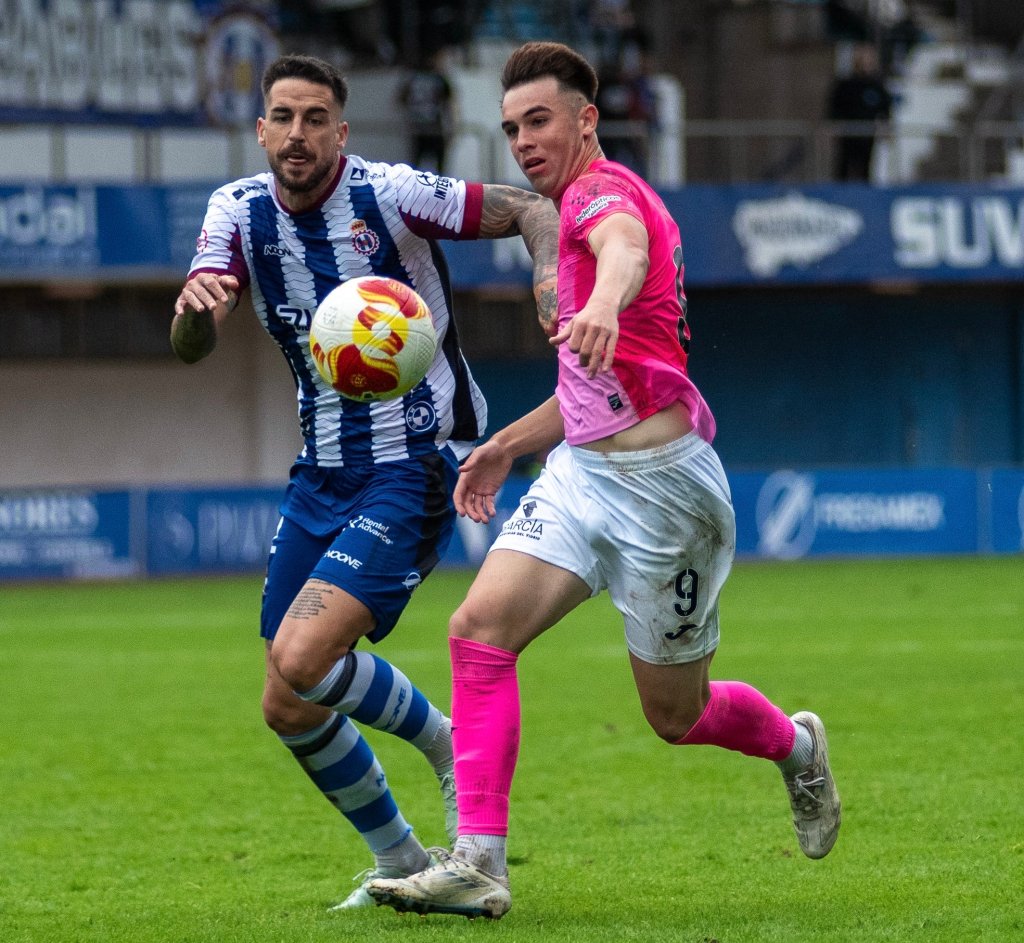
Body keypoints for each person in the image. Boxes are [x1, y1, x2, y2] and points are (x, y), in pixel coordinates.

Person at [367, 40, 841, 920]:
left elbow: (621, 248)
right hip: (583, 471)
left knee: (676, 714)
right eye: (510, 128)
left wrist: (604, 300)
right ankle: (479, 860)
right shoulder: (565, 205)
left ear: (586, 120)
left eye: (539, 120)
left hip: (667, 494)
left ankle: (795, 744)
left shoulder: (601, 193)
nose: (523, 141)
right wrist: (509, 443)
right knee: (477, 629)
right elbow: (588, 393)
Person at [171, 53, 558, 911]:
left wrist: (548, 273)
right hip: (320, 473)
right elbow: (193, 339)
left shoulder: (390, 193)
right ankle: (398, 856)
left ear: (341, 131)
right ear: (261, 128)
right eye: (284, 117)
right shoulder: (234, 211)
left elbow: (532, 207)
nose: (298, 134)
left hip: (413, 465)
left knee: (305, 656)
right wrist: (196, 315)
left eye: (317, 119)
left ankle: (449, 746)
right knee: (287, 698)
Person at [828, 42, 893, 182]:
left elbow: (885, 108)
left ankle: (866, 195)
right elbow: (835, 106)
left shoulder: (876, 85)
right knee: (844, 166)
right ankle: (839, 193)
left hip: (867, 132)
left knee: (866, 167)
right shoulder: (846, 84)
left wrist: (886, 125)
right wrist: (834, 124)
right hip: (849, 132)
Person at [396, 49, 455, 174]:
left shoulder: (412, 78)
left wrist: (414, 110)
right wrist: (451, 126)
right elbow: (449, 103)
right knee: (440, 171)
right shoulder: (438, 78)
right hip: (434, 127)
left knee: (415, 169)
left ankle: (414, 191)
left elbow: (400, 98)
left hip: (418, 126)